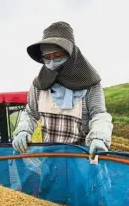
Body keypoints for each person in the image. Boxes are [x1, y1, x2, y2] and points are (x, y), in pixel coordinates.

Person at [12, 21, 113, 159]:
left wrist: (99, 137)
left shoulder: (89, 84)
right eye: (47, 58)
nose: (52, 64)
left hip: (82, 161)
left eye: (58, 56)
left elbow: (99, 114)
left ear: (71, 55)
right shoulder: (39, 85)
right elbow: (30, 114)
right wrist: (23, 130)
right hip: (51, 160)